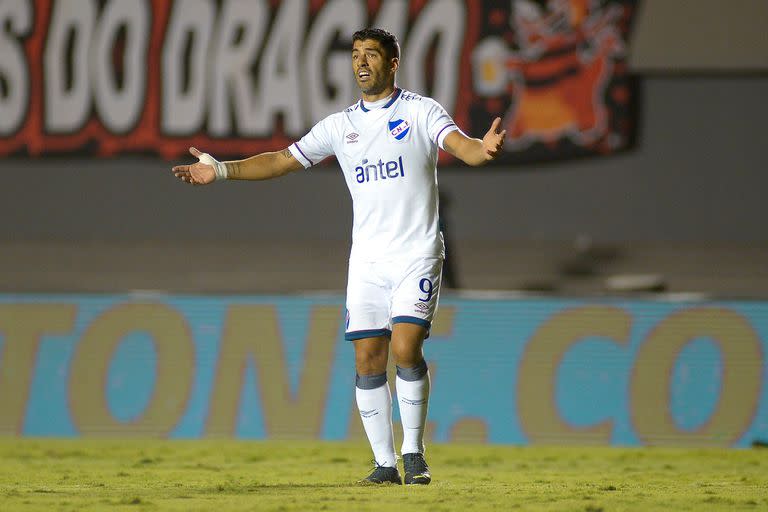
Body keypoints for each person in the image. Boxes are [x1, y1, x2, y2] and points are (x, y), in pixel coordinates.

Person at [172, 27, 505, 485]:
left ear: (393, 63)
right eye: (355, 55)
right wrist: (223, 170)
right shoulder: (339, 126)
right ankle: (385, 466)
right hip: (367, 261)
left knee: (406, 346)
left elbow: (461, 145)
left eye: (371, 54)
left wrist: (480, 151)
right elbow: (281, 160)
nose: (361, 62)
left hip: (416, 253)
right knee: (368, 357)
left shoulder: (421, 111)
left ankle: (414, 454)